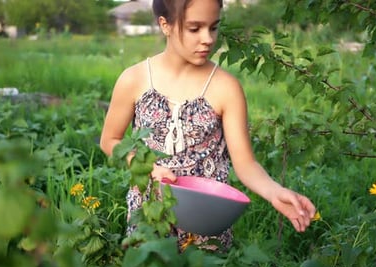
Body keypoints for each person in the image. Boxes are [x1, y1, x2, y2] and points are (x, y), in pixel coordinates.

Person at [100, 0, 316, 251]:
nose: (208, 39)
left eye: (213, 27)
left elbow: (245, 163)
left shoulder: (225, 88)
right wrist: (147, 167)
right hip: (149, 215)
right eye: (194, 28)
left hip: (206, 223)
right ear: (165, 25)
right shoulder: (134, 79)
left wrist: (274, 192)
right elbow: (110, 141)